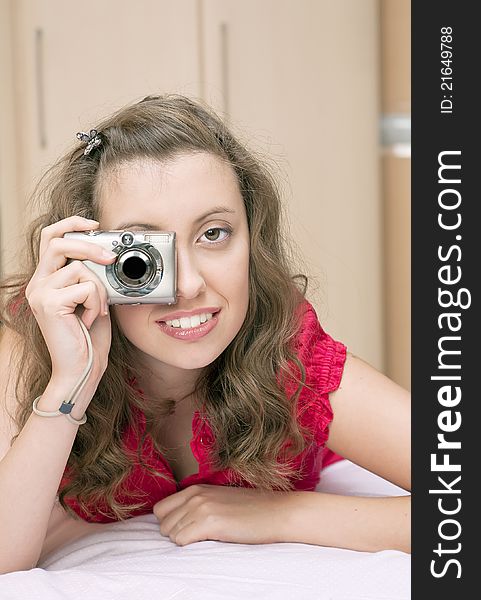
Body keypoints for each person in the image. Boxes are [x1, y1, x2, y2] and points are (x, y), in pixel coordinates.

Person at [0, 94, 410, 574]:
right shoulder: (38, 343)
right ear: (89, 258)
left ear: (251, 243)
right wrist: (73, 378)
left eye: (214, 234)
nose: (190, 284)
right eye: (144, 254)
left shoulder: (291, 357)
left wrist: (282, 513)